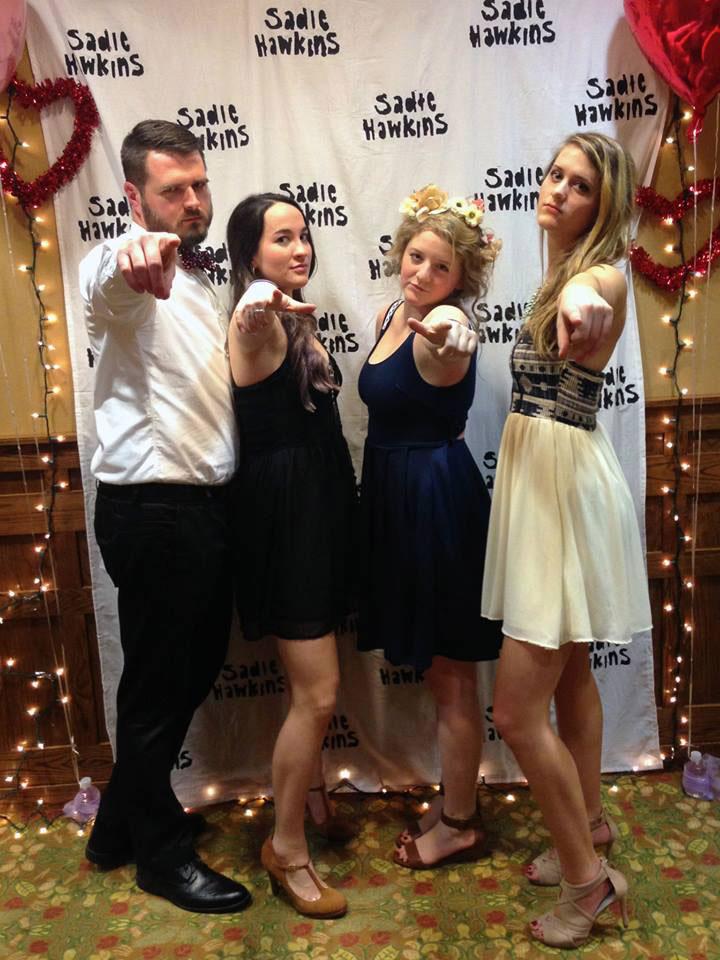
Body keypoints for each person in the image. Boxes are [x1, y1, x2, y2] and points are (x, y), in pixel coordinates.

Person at [482, 132, 652, 948]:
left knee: (515, 710)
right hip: (552, 487)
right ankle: (585, 823)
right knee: (573, 671)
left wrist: (585, 306)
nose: (555, 189)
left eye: (578, 185)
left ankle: (590, 886)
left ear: (604, 205)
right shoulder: (556, 272)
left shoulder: (598, 275)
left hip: (559, 497)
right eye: (553, 174)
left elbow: (598, 297)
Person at [80, 120, 250, 914]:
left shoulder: (209, 275)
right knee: (158, 686)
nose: (189, 202)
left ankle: (117, 827)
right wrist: (129, 256)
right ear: (133, 198)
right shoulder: (129, 269)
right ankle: (160, 855)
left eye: (198, 186)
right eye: (171, 191)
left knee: (184, 669)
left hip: (201, 511)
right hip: (154, 511)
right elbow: (104, 280)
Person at [357, 185, 503, 869]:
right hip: (394, 498)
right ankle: (455, 800)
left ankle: (463, 823)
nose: (421, 274)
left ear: (459, 280)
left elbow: (454, 345)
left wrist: (454, 335)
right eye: (416, 256)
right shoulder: (392, 309)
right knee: (439, 672)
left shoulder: (443, 329)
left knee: (450, 676)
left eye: (440, 268)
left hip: (433, 506)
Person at [225, 193, 358, 918]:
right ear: (251, 255)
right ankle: (286, 849)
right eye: (282, 239)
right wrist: (257, 303)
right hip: (288, 523)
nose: (301, 248)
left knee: (306, 686)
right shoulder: (259, 320)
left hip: (321, 510)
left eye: (304, 235)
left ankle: (307, 793)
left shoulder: (295, 318)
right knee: (319, 693)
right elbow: (249, 317)